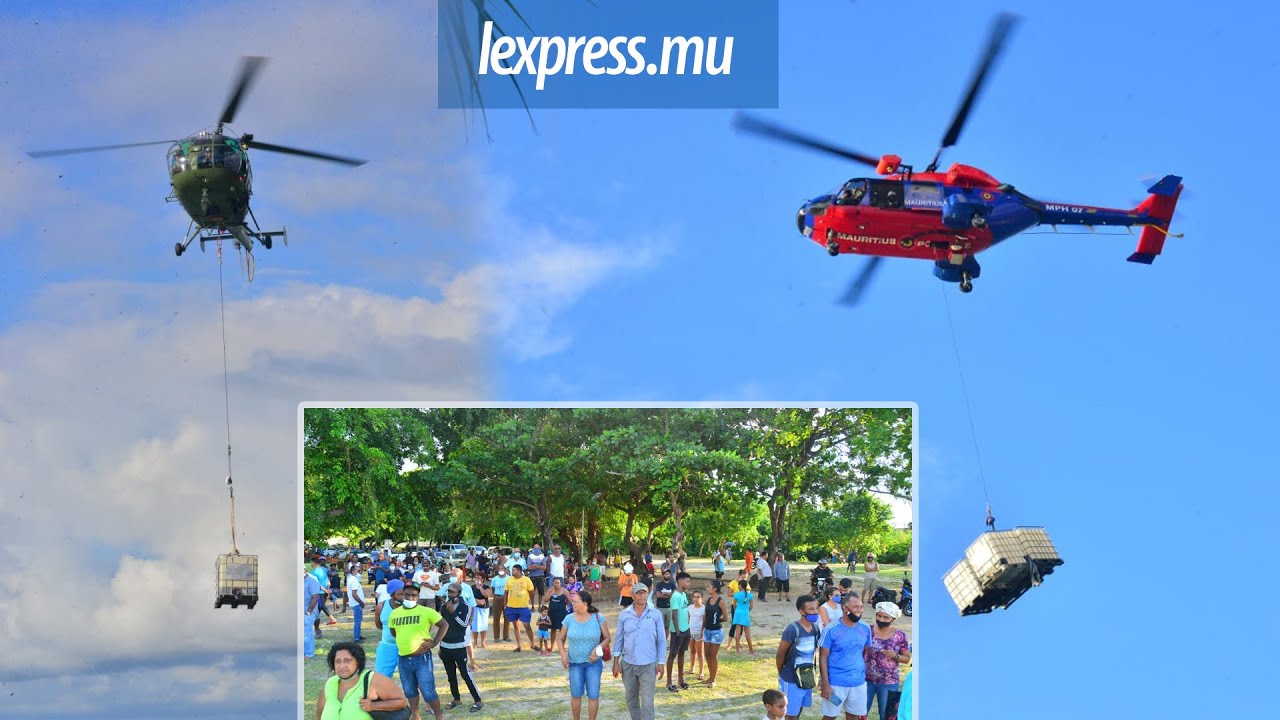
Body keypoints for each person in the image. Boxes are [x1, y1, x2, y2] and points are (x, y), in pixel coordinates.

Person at [388, 584, 449, 720]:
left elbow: (444, 624)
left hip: (422, 659)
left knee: (428, 691)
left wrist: (434, 642)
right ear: (403, 595)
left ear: (418, 597)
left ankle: (439, 716)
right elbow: (394, 632)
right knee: (409, 690)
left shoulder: (426, 611)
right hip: (403, 658)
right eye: (407, 595)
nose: (410, 597)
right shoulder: (395, 613)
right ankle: (416, 714)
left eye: (413, 595)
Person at [611, 583, 666, 720]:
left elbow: (661, 640)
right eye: (638, 593)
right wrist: (616, 662)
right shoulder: (625, 614)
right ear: (632, 595)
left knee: (647, 702)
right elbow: (619, 638)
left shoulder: (656, 614)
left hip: (648, 664)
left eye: (644, 593)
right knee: (631, 699)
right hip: (628, 664)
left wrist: (661, 662)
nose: (642, 596)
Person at [315, 641, 408, 720]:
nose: (342, 666)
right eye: (338, 661)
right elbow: (319, 715)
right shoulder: (330, 684)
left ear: (358, 661)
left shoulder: (373, 680)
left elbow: (401, 702)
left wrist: (374, 706)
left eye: (347, 660)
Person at [559, 590, 611, 720]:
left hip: (593, 664)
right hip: (574, 663)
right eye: (573, 601)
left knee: (593, 695)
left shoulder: (598, 617)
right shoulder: (568, 619)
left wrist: (597, 649)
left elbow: (607, 638)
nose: (573, 603)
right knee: (576, 694)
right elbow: (560, 639)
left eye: (576, 601)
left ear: (585, 604)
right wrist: (563, 655)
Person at [818, 595, 871, 720]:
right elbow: (823, 657)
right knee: (830, 716)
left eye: (861, 607)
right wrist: (825, 684)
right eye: (855, 607)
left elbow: (863, 651)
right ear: (845, 608)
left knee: (853, 716)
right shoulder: (831, 629)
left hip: (858, 682)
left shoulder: (865, 628)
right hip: (835, 683)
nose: (859, 610)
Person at [776, 595, 823, 720]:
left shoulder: (815, 629)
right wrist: (782, 672)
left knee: (799, 709)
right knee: (790, 714)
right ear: (802, 611)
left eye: (816, 608)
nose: (815, 612)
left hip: (806, 677)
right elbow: (780, 654)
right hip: (791, 678)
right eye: (811, 609)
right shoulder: (792, 630)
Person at [439, 583, 484, 712]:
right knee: (450, 675)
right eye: (448, 592)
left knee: (465, 674)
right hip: (446, 646)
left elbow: (464, 625)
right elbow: (442, 625)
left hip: (459, 646)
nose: (449, 594)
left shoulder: (466, 607)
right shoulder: (443, 607)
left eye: (452, 592)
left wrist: (453, 612)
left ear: (459, 593)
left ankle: (478, 700)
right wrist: (440, 646)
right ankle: (456, 698)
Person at [866, 602, 911, 719]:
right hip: (866, 680)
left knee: (887, 715)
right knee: (860, 713)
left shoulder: (900, 636)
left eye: (886, 617)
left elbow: (906, 659)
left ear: (893, 618)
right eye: (879, 616)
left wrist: (894, 656)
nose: (881, 619)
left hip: (889, 683)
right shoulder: (868, 631)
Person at [664, 571, 693, 692]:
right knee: (673, 654)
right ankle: (669, 682)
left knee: (682, 653)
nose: (689, 583)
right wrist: (677, 631)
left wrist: (687, 627)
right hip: (678, 631)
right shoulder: (675, 596)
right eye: (687, 581)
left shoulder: (684, 595)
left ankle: (681, 680)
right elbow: (674, 615)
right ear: (680, 582)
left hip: (686, 629)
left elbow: (685, 611)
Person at [373, 580, 405, 679]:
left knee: (410, 680)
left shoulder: (410, 606)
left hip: (407, 647)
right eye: (400, 594)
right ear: (392, 595)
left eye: (405, 593)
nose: (404, 597)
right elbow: (379, 625)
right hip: (388, 646)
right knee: (381, 678)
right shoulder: (381, 606)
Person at [504, 565, 537, 652]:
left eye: (513, 570)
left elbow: (532, 593)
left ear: (519, 570)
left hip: (523, 606)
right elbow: (506, 592)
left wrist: (532, 605)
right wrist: (505, 605)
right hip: (511, 606)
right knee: (515, 625)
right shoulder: (509, 580)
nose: (512, 571)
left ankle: (533, 644)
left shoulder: (526, 580)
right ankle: (519, 645)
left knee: (527, 625)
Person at [700, 580, 726, 688]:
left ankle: (713, 679)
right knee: (707, 654)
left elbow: (725, 617)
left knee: (713, 655)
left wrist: (716, 621)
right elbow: (705, 616)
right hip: (707, 631)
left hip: (716, 631)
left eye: (709, 587)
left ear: (715, 588)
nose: (707, 588)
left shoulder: (721, 601)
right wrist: (702, 628)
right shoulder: (708, 600)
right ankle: (710, 677)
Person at [731, 579, 755, 654]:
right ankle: (751, 650)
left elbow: (734, 605)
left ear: (740, 586)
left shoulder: (736, 594)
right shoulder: (750, 595)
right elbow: (751, 606)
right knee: (747, 632)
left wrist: (736, 610)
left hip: (738, 612)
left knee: (738, 632)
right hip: (745, 613)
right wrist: (747, 610)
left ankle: (737, 650)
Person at [305, 569, 324, 660]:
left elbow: (315, 597)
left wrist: (309, 611)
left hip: (308, 610)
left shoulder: (312, 580)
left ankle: (309, 653)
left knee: (306, 631)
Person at [547, 576, 570, 652]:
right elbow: (545, 600)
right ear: (553, 583)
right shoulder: (550, 590)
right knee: (553, 630)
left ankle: (562, 647)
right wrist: (550, 594)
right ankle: (552, 646)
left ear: (561, 583)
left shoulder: (564, 591)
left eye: (559, 583)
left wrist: (563, 605)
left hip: (562, 613)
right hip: (552, 613)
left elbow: (569, 600)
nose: (557, 584)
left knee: (562, 630)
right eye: (555, 583)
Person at [688, 590, 706, 681]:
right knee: (692, 651)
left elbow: (704, 621)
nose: (696, 599)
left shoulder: (703, 608)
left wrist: (702, 632)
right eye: (694, 597)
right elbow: (689, 619)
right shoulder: (690, 607)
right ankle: (692, 668)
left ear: (702, 599)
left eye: (698, 597)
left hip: (699, 633)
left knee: (700, 653)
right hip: (690, 632)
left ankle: (701, 671)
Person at [347, 564, 367, 644]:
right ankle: (356, 638)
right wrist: (361, 602)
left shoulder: (351, 579)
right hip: (356, 603)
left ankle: (358, 635)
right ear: (353, 571)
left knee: (358, 620)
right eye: (358, 571)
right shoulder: (354, 581)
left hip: (355, 603)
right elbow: (354, 594)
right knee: (358, 621)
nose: (359, 572)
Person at [653, 568, 676, 639]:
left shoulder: (672, 584)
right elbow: (658, 595)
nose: (667, 575)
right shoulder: (659, 584)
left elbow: (674, 595)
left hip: (669, 607)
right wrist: (669, 594)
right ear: (663, 575)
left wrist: (664, 593)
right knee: (661, 626)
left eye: (668, 574)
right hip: (660, 607)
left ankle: (666, 640)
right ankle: (661, 640)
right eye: (666, 574)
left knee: (667, 626)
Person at [471, 571, 492, 650]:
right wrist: (477, 601)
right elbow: (469, 597)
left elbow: (487, 595)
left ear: (483, 579)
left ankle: (483, 641)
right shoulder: (472, 587)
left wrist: (480, 588)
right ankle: (475, 642)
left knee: (483, 625)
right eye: (475, 577)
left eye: (478, 578)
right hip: (475, 608)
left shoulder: (486, 587)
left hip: (484, 608)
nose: (477, 579)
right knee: (475, 626)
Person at [491, 565, 509, 643]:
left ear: (504, 569)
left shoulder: (509, 578)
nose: (501, 570)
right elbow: (493, 588)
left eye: (502, 568)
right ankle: (496, 636)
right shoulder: (495, 579)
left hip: (507, 598)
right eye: (499, 568)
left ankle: (506, 636)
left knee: (507, 618)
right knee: (496, 618)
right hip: (497, 598)